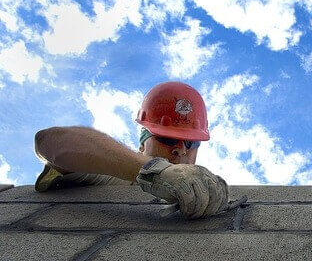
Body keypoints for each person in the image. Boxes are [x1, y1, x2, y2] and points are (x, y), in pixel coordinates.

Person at [34, 81, 229, 218]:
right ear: (143, 143)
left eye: (191, 143)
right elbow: (48, 141)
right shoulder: (110, 173)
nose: (181, 150)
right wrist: (156, 171)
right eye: (166, 139)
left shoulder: (202, 194)